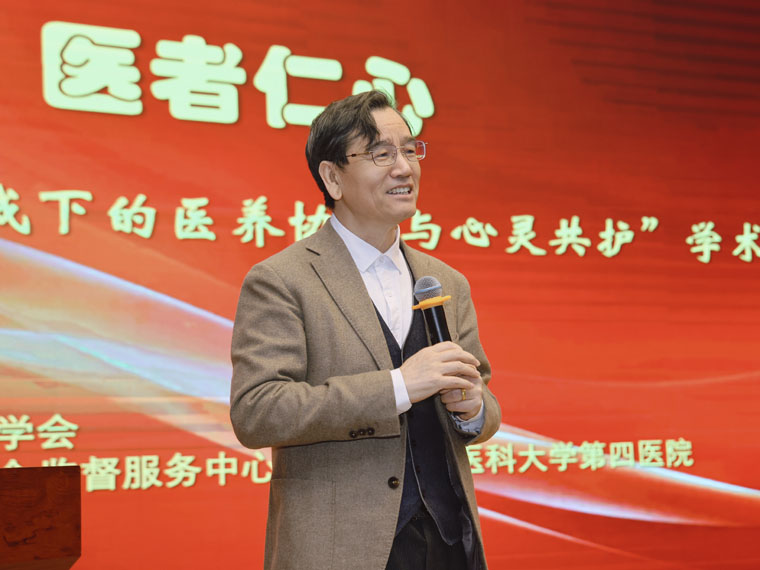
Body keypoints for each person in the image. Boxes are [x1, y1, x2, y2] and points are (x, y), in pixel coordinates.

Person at [230, 90, 501, 570]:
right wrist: (398, 386)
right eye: (381, 154)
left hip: (449, 543)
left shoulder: (446, 282)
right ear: (332, 177)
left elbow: (483, 399)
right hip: (341, 549)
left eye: (410, 150)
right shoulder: (282, 279)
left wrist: (474, 410)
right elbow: (258, 411)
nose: (404, 168)